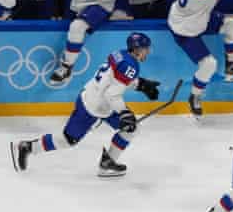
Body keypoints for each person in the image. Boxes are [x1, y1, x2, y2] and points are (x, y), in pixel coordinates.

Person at [10, 33, 160, 177]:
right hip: (93, 107)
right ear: (138, 49)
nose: (148, 52)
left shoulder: (120, 54)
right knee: (68, 140)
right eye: (146, 49)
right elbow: (112, 94)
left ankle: (108, 163)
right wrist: (124, 113)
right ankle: (26, 147)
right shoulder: (131, 66)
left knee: (131, 128)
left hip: (94, 98)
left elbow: (114, 80)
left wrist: (142, 85)